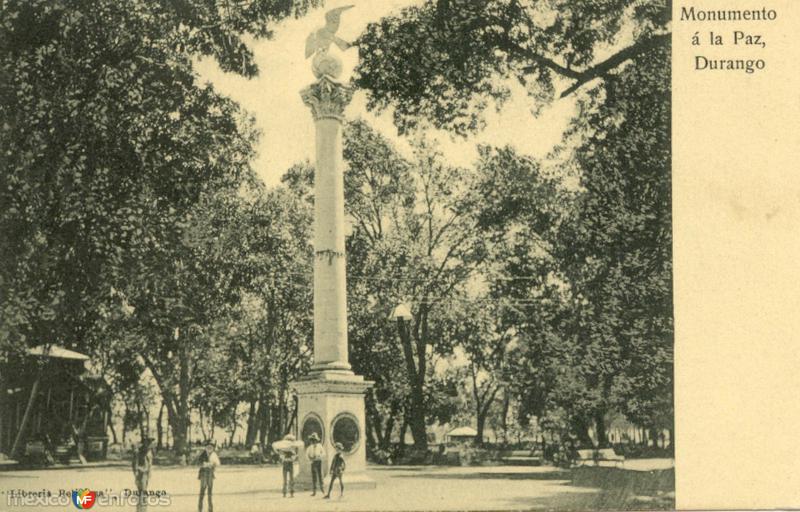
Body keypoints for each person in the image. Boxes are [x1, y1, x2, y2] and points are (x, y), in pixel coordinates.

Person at [197, 441, 220, 512]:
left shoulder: (214, 454)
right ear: (206, 448)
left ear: (213, 448)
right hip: (204, 473)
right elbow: (199, 462)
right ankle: (200, 508)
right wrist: (206, 464)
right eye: (208, 447)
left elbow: (218, 463)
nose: (209, 448)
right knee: (202, 491)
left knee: (210, 492)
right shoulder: (203, 454)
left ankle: (210, 509)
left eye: (211, 447)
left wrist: (212, 464)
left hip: (210, 474)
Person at [132, 438, 154, 512]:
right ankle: (140, 508)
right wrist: (136, 472)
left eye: (150, 443)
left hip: (146, 472)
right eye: (149, 443)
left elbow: (150, 463)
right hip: (141, 472)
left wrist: (150, 472)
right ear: (145, 443)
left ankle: (143, 507)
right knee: (142, 490)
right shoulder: (139, 451)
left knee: (143, 490)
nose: (150, 445)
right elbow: (135, 462)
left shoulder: (149, 451)